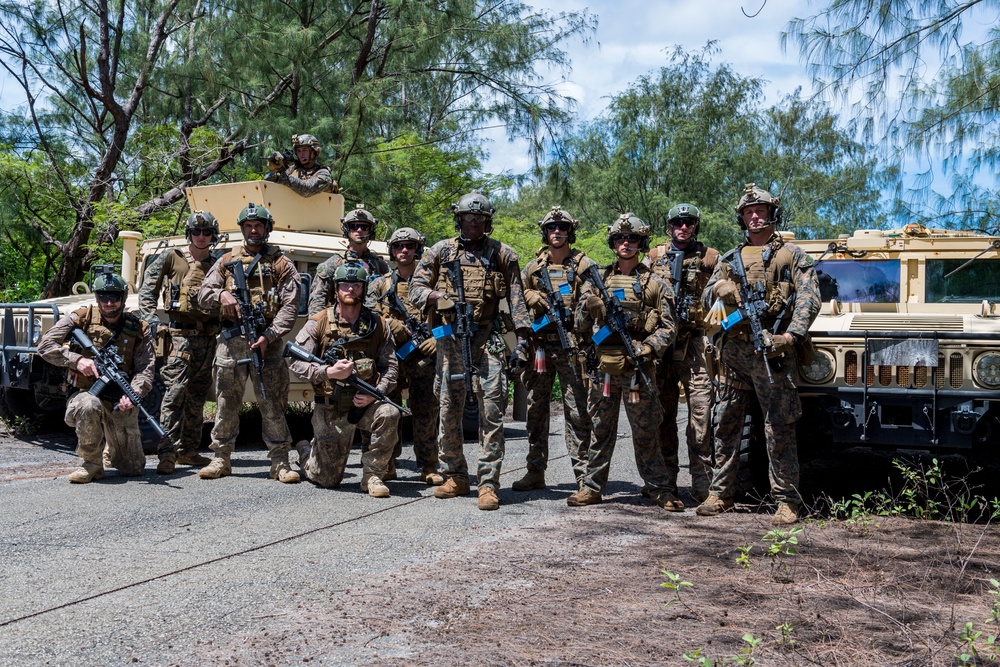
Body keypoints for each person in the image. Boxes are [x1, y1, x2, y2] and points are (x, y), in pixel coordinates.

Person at [696, 183, 820, 525]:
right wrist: (719, 290)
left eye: (761, 211)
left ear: (771, 214)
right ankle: (721, 493)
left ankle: (786, 500)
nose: (755, 216)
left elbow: (809, 298)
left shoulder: (791, 255)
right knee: (724, 424)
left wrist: (790, 337)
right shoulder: (729, 258)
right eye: (749, 212)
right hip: (733, 355)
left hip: (772, 353)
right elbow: (707, 302)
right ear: (742, 218)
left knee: (778, 428)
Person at [408, 190, 532, 511]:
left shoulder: (503, 254)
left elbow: (517, 299)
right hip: (450, 337)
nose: (473, 222)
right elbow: (416, 289)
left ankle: (488, 483)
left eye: (480, 218)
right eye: (468, 217)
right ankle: (456, 475)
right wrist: (440, 298)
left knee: (491, 410)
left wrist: (522, 340)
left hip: (488, 336)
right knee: (449, 409)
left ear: (487, 221)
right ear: (459, 218)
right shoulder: (440, 251)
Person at [570, 213, 679, 509]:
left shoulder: (655, 282)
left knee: (646, 432)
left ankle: (659, 488)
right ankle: (591, 487)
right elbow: (579, 325)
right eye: (620, 238)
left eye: (632, 239)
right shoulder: (598, 279)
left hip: (637, 369)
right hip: (604, 367)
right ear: (613, 242)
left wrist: (647, 348)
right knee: (600, 430)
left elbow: (669, 327)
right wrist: (588, 308)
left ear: (641, 242)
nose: (626, 244)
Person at [196, 202, 301, 483]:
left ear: (267, 229)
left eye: (258, 226)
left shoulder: (282, 263)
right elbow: (203, 294)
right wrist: (221, 296)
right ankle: (221, 457)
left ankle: (280, 461)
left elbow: (291, 306)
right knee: (226, 402)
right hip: (232, 343)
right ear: (242, 229)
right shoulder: (226, 260)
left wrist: (270, 335)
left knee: (272, 402)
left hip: (269, 343)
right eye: (248, 226)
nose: (253, 230)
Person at [288, 260, 402, 496]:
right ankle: (305, 452)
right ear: (336, 288)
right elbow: (296, 363)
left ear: (363, 288)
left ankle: (372, 476)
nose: (350, 289)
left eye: (356, 285)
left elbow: (391, 368)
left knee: (390, 412)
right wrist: (327, 372)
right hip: (330, 408)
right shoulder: (318, 322)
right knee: (327, 479)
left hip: (364, 404)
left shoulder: (378, 325)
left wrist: (374, 394)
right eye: (345, 285)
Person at [37, 270, 154, 483]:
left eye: (114, 298)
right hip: (85, 392)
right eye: (103, 297)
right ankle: (91, 464)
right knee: (89, 405)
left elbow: (145, 368)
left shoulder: (138, 328)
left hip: (119, 397)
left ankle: (112, 446)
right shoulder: (81, 317)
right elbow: (44, 346)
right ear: (97, 298)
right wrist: (77, 360)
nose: (109, 303)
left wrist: (135, 391)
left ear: (123, 298)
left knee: (132, 469)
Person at [512, 206, 596, 493]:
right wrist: (530, 293)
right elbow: (516, 299)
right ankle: (535, 471)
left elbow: (593, 302)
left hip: (571, 347)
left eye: (562, 228)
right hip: (540, 349)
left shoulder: (584, 266)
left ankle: (584, 475)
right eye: (551, 228)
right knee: (536, 410)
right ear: (545, 232)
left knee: (577, 412)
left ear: (570, 232)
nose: (556, 233)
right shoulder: (533, 268)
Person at [643, 203, 719, 503]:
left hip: (695, 343)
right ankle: (665, 482)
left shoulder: (711, 257)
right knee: (662, 415)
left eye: (688, 223)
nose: (683, 227)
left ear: (696, 226)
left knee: (701, 414)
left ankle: (702, 483)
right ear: (669, 226)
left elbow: (724, 296)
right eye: (677, 222)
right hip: (661, 344)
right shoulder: (653, 257)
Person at [138, 211, 221, 475]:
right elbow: (146, 294)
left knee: (197, 397)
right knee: (174, 395)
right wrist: (154, 324)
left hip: (207, 338)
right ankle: (167, 453)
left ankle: (188, 450)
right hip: (178, 337)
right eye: (196, 232)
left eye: (206, 232)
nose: (201, 236)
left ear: (213, 235)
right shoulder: (171, 257)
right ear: (189, 234)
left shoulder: (218, 264)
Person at [369, 227, 444, 486]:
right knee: (389, 410)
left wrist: (439, 337)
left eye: (409, 246)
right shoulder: (380, 284)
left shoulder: (433, 284)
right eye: (399, 246)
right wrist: (390, 324)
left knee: (425, 411)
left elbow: (452, 315)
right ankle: (387, 463)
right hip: (391, 356)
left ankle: (429, 465)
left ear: (417, 249)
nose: (404, 250)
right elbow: (369, 318)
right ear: (391, 250)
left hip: (423, 357)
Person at [308, 205, 390, 316]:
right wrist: (319, 326)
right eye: (354, 226)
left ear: (371, 231)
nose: (359, 230)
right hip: (341, 322)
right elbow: (317, 300)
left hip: (372, 324)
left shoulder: (379, 265)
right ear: (347, 230)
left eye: (364, 227)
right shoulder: (334, 264)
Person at [264, 133, 338, 196]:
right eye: (299, 151)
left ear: (315, 151)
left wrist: (281, 176)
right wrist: (274, 169)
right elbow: (267, 181)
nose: (301, 154)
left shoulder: (324, 174)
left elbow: (307, 190)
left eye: (305, 150)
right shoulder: (293, 169)